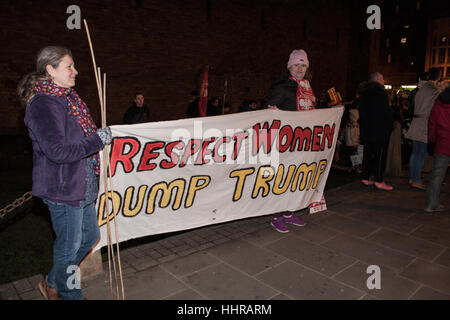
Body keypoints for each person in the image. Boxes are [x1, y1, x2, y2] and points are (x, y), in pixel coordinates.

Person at [18, 46, 112, 300]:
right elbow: (58, 151)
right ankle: (70, 294)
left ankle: (51, 282)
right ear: (50, 70)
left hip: (83, 184)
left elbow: (77, 137)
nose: (76, 71)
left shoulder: (67, 98)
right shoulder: (43, 105)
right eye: (69, 66)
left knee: (90, 236)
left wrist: (94, 139)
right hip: (63, 189)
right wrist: (97, 141)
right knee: (68, 247)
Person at [265, 49, 315, 233]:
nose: (300, 68)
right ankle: (276, 216)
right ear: (289, 67)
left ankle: (288, 212)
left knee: (295, 178)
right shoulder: (281, 85)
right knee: (282, 179)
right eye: (296, 64)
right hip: (284, 142)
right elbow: (270, 112)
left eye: (303, 64)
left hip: (302, 141)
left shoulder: (306, 86)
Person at [405, 68, 441, 190]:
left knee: (415, 153)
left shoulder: (421, 88)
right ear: (438, 78)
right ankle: (416, 180)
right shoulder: (434, 91)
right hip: (425, 124)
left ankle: (412, 178)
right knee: (421, 154)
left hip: (416, 122)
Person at [358, 72, 394, 190]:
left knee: (367, 153)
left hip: (367, 129)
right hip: (380, 129)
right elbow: (387, 112)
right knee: (380, 155)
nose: (384, 81)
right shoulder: (381, 93)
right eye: (382, 78)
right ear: (377, 79)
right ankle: (379, 180)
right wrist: (390, 125)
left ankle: (365, 177)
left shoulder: (363, 93)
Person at [425, 86, 450, 212]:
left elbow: (432, 125)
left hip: (442, 144)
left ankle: (431, 203)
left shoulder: (437, 105)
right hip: (444, 143)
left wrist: (432, 141)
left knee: (437, 175)